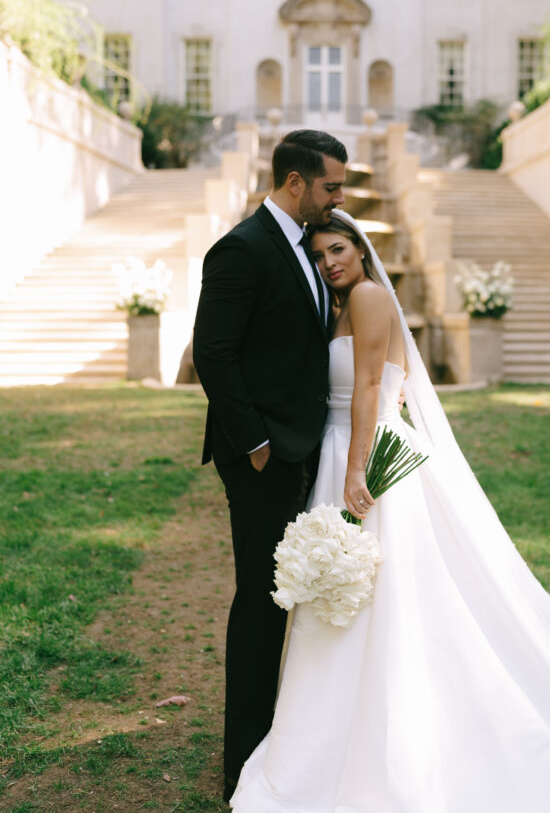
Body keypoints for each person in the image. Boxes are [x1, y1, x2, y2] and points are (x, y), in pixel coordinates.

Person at [231, 210, 550, 813]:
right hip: (343, 449)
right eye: (319, 256)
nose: (329, 263)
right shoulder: (337, 305)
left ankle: (375, 736)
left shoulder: (366, 297)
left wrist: (354, 470)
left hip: (368, 454)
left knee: (377, 592)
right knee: (344, 593)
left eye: (338, 249)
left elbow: (369, 387)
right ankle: (330, 733)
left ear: (362, 250)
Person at [192, 130, 347, 804]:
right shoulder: (242, 248)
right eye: (330, 186)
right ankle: (244, 762)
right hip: (261, 458)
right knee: (260, 604)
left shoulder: (306, 250)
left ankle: (289, 738)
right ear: (294, 183)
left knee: (295, 599)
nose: (338, 197)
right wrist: (255, 443)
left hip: (304, 449)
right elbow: (213, 353)